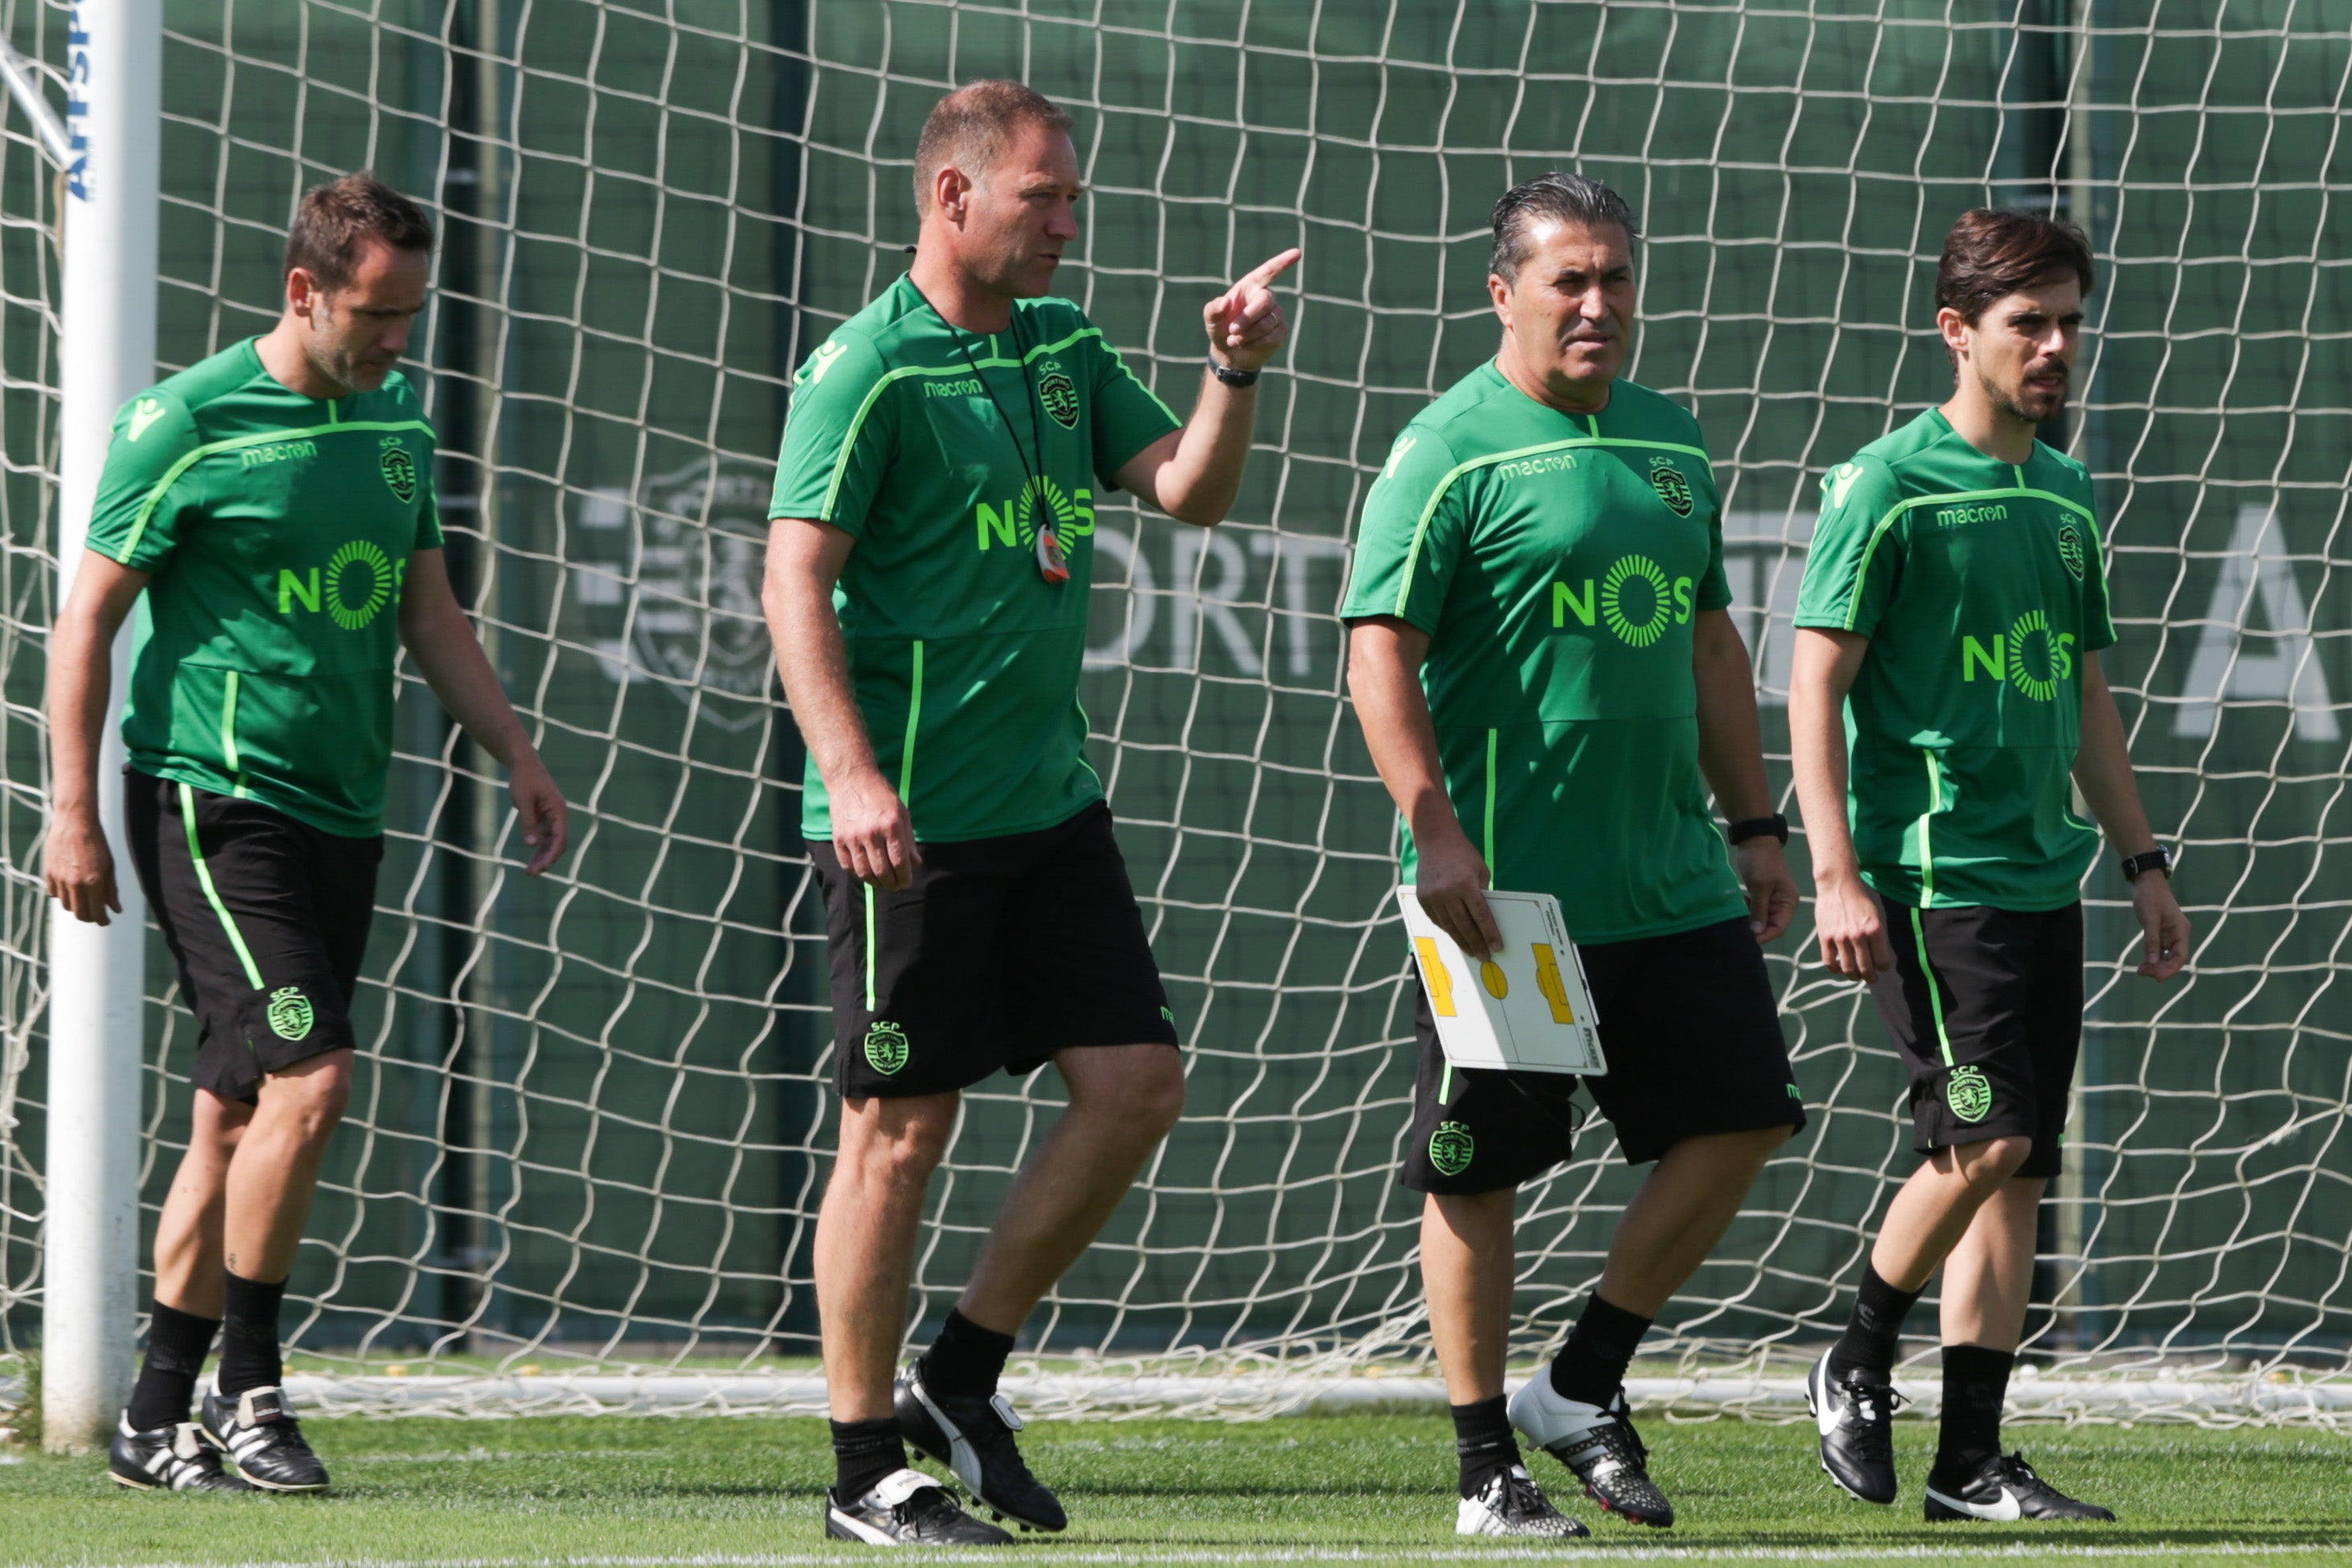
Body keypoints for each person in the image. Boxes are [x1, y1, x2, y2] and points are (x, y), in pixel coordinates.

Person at [762, 80, 1296, 1547]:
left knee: (1135, 1085)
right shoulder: (866, 370)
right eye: (1045, 196)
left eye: (1074, 196)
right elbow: (791, 577)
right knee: (897, 1131)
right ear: (953, 198)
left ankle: (960, 1371)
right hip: (909, 823)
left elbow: (1187, 491)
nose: (1071, 221)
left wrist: (1231, 376)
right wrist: (854, 775)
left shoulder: (1063, 349)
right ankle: (863, 1462)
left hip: (1049, 803)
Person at [46, 173, 569, 1492]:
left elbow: (428, 613)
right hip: (214, 801)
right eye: (377, 313)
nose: (399, 339)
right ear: (304, 291)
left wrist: (512, 747)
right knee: (314, 1076)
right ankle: (251, 1389)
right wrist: (71, 810)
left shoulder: (394, 423)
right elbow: (86, 624)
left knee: (236, 1111)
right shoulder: (186, 422)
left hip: (343, 807)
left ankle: (154, 1412)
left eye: (413, 312)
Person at [1341, 172, 1804, 1538]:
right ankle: (1486, 1459)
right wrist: (1435, 826)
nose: (1597, 304)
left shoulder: (1671, 441)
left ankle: (1580, 1380)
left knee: (1741, 1121)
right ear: (1505, 293)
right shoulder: (1446, 449)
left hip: (1666, 876)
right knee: (1477, 1170)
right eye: (1568, 280)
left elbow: (1711, 640)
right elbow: (1379, 649)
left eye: (1614, 279)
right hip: (1510, 901)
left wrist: (1757, 821)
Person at [1791, 207, 2189, 1524]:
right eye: (2028, 321)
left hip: (2041, 875)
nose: (2055, 345)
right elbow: (1812, 682)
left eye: (2070, 320)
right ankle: (1853, 1356)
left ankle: (1968, 1462)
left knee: (2017, 1174)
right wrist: (1834, 867)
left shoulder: (2063, 490)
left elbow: (2083, 697)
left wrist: (2139, 858)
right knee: (1988, 1132)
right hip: (1927, 877)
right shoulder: (1883, 485)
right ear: (1956, 329)